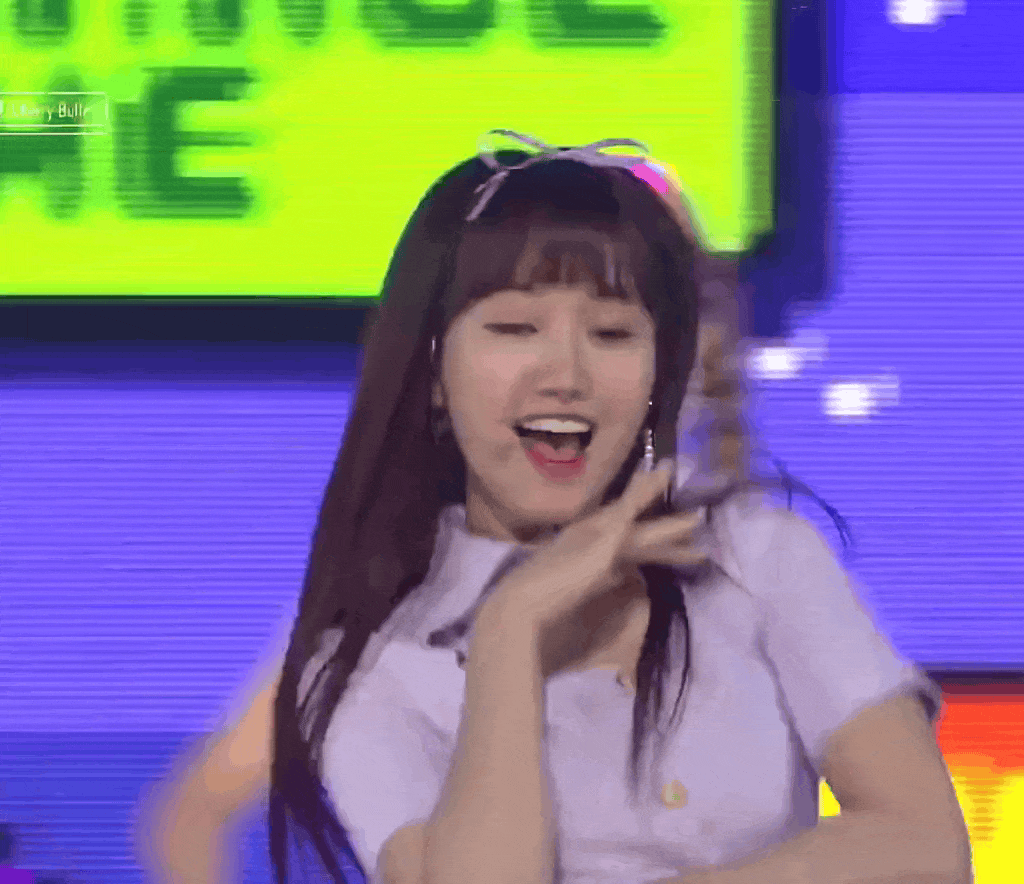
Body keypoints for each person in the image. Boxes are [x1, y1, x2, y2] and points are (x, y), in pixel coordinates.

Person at [136, 130, 970, 884]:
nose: (565, 375)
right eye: (514, 329)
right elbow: (196, 812)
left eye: (612, 334)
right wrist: (510, 634)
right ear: (433, 371)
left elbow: (926, 848)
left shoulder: (761, 555)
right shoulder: (368, 653)